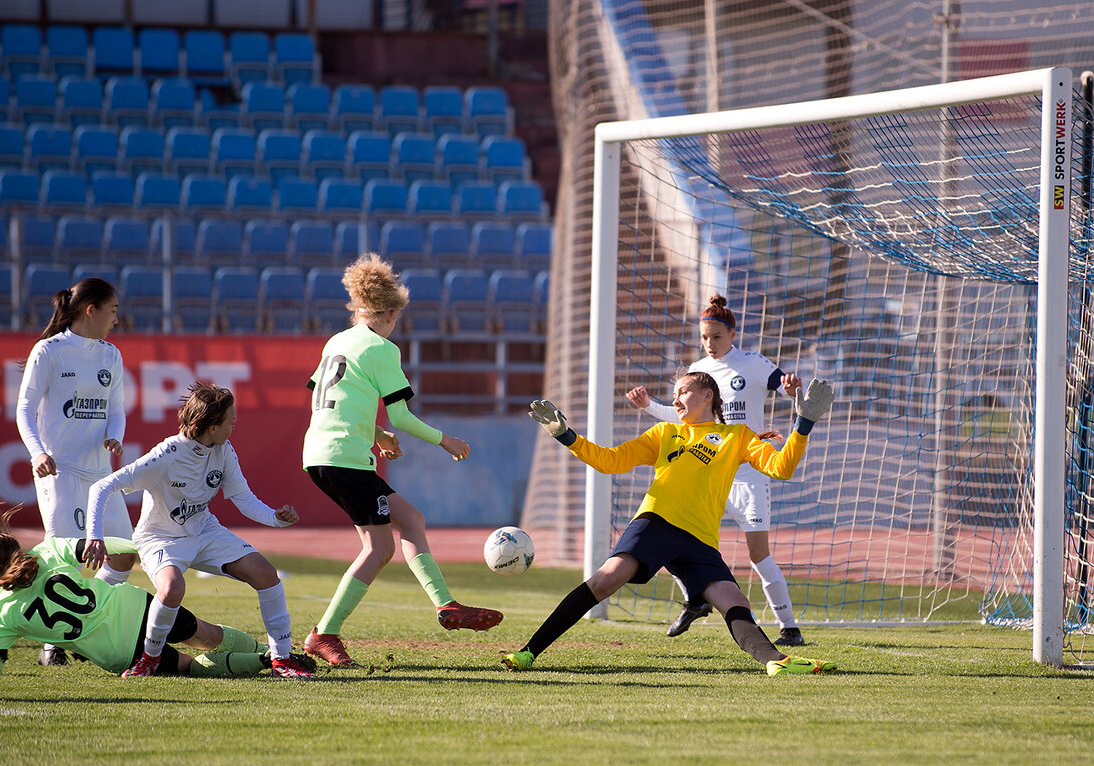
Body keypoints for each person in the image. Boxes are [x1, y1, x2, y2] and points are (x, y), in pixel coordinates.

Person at [503, 371, 837, 676]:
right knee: (606, 580)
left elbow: (782, 467)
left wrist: (803, 423)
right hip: (656, 522)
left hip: (700, 540)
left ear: (708, 395)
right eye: (674, 395)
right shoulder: (665, 432)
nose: (674, 400)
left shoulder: (736, 436)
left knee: (734, 600)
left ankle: (776, 662)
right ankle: (527, 653)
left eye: (683, 392)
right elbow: (611, 461)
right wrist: (568, 436)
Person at [300, 253, 502, 667]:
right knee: (377, 548)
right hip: (346, 459)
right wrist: (445, 440)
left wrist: (374, 433)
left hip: (320, 451)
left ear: (359, 309)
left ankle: (446, 606)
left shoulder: (337, 341)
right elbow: (402, 415)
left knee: (410, 520)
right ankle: (324, 634)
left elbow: (326, 401)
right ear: (391, 312)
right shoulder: (381, 348)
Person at [85, 383, 312, 679]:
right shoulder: (166, 454)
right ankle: (148, 660)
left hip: (204, 530)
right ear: (213, 427)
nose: (234, 426)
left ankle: (281, 660)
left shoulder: (223, 449)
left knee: (266, 574)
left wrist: (276, 518)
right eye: (231, 421)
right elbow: (102, 487)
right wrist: (95, 535)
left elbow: (243, 498)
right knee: (171, 589)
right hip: (160, 537)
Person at [0, 501, 315, 678]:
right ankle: (277, 654)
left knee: (190, 667)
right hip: (137, 606)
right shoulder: (46, 552)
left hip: (116, 650)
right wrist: (147, 549)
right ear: (16, 550)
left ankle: (265, 662)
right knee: (208, 633)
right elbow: (105, 546)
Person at [627, 294, 807, 646]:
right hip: (705, 473)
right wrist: (649, 406)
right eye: (705, 337)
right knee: (673, 539)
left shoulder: (753, 365)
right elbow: (681, 419)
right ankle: (695, 601)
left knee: (759, 554)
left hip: (747, 474)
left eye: (717, 337)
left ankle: (789, 627)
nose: (710, 344)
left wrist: (791, 390)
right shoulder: (697, 373)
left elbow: (785, 386)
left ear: (732, 334)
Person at [16, 277, 136, 667]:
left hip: (102, 474)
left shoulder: (111, 355)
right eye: (113, 310)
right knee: (66, 557)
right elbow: (25, 410)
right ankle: (53, 641)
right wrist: (37, 453)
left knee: (122, 555)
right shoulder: (48, 351)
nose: (117, 319)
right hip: (60, 470)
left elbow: (115, 408)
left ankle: (86, 621)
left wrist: (115, 436)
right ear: (91, 310)